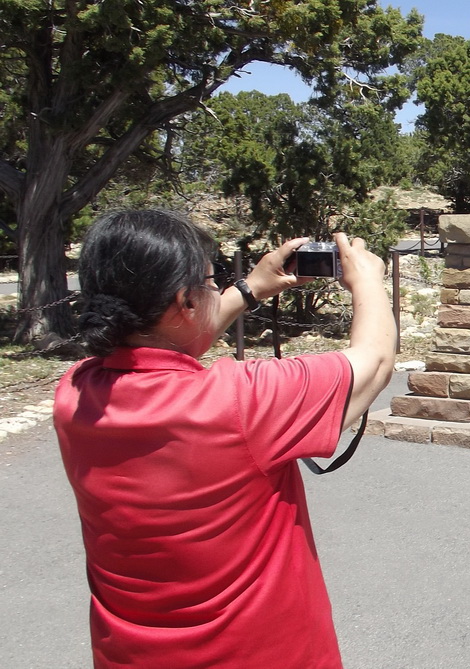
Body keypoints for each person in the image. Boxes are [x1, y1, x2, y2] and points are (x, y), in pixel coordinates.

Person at [53, 209, 396, 668]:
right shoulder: (240, 402)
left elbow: (161, 340)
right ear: (185, 301)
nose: (217, 291)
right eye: (211, 282)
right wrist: (368, 281)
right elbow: (374, 361)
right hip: (261, 655)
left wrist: (250, 289)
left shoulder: (75, 394)